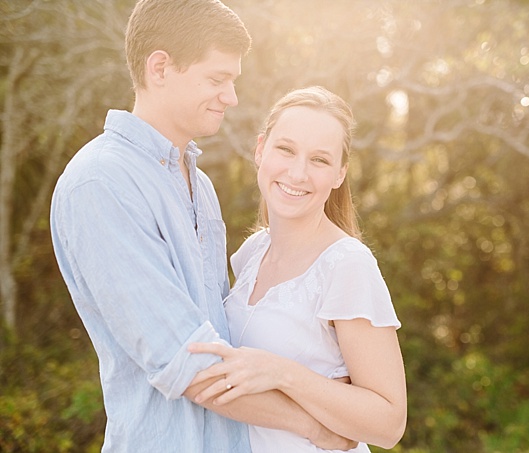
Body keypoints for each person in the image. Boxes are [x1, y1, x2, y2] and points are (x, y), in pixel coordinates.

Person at [50, 1, 355, 451]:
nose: (230, 97)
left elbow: (229, 333)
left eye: (232, 81)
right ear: (160, 68)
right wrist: (315, 425)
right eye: (217, 79)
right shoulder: (101, 183)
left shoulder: (201, 185)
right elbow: (189, 364)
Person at [187, 86, 408, 451]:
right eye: (286, 150)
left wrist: (283, 373)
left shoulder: (346, 265)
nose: (298, 172)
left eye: (319, 160)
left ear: (339, 174)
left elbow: (389, 423)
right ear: (260, 150)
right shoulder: (252, 252)